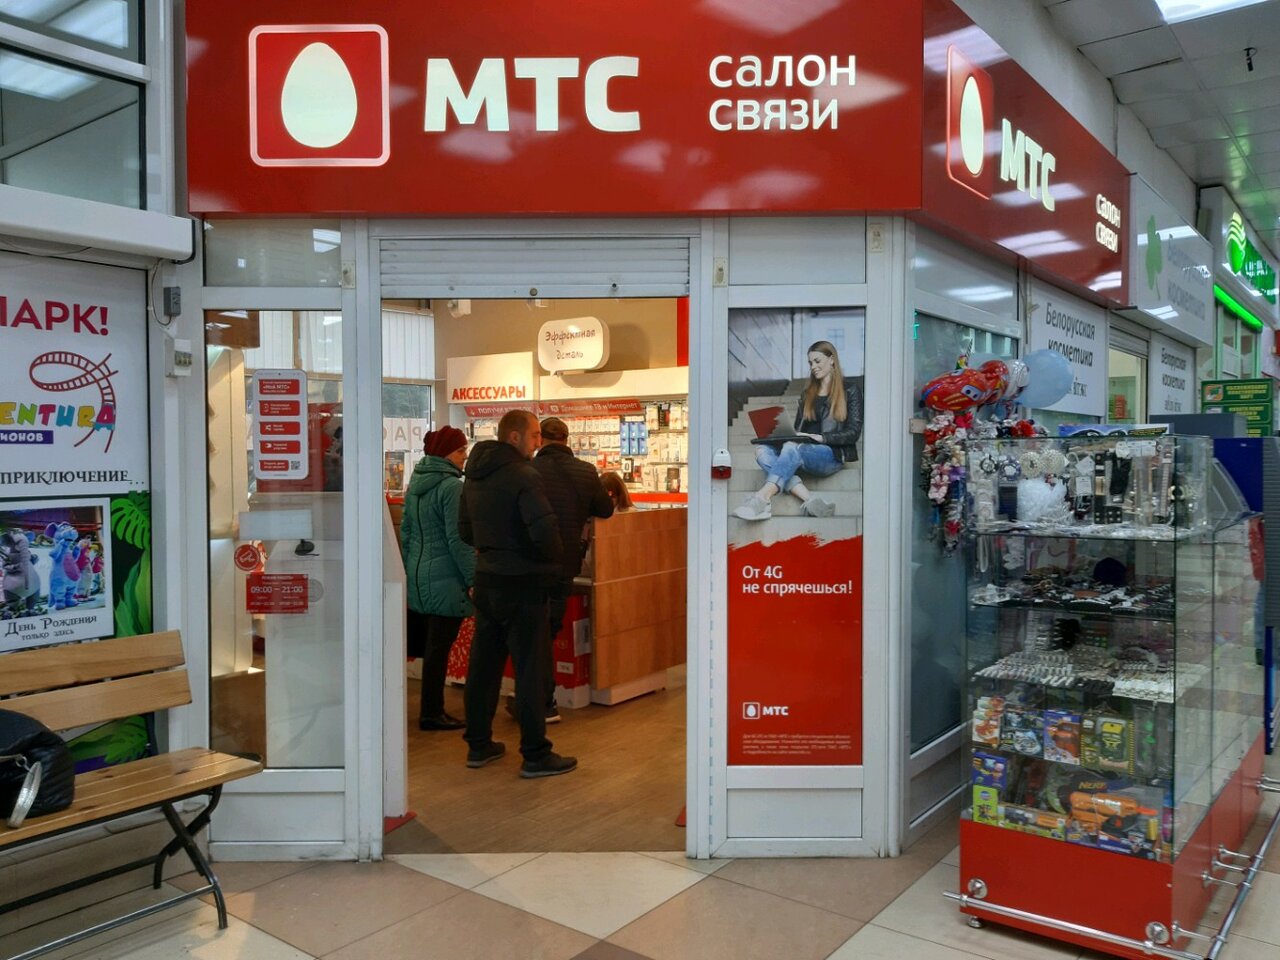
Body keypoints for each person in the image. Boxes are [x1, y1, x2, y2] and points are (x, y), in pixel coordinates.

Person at [458, 410, 576, 778]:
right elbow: (544, 532)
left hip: (488, 580)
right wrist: (552, 562)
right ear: (514, 437)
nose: (539, 442)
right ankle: (535, 754)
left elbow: (465, 531)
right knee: (529, 670)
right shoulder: (524, 475)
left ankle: (479, 744)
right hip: (524, 583)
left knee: (483, 667)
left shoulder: (473, 475)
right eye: (535, 434)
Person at [521, 417, 614, 724]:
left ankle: (539, 702)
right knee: (548, 631)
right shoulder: (586, 471)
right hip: (565, 565)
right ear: (567, 438)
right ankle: (541, 701)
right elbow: (605, 509)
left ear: (541, 439)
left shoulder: (528, 469)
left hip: (532, 563)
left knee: (531, 634)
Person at [733, 340, 863, 521]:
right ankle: (809, 499)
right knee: (762, 451)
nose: (813, 367)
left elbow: (854, 432)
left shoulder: (850, 390)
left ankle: (762, 499)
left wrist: (820, 437)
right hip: (802, 449)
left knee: (793, 447)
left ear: (832, 359)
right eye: (810, 363)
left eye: (817, 361)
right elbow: (797, 430)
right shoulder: (807, 393)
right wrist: (781, 434)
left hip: (831, 454)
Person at [400, 426, 474, 732]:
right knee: (438, 649)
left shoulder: (416, 483)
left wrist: (410, 570)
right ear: (445, 453)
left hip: (420, 576)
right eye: (460, 450)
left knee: (432, 648)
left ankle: (430, 709)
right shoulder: (452, 487)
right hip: (446, 578)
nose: (465, 456)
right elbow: (458, 540)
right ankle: (432, 712)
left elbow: (406, 533)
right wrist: (473, 577)